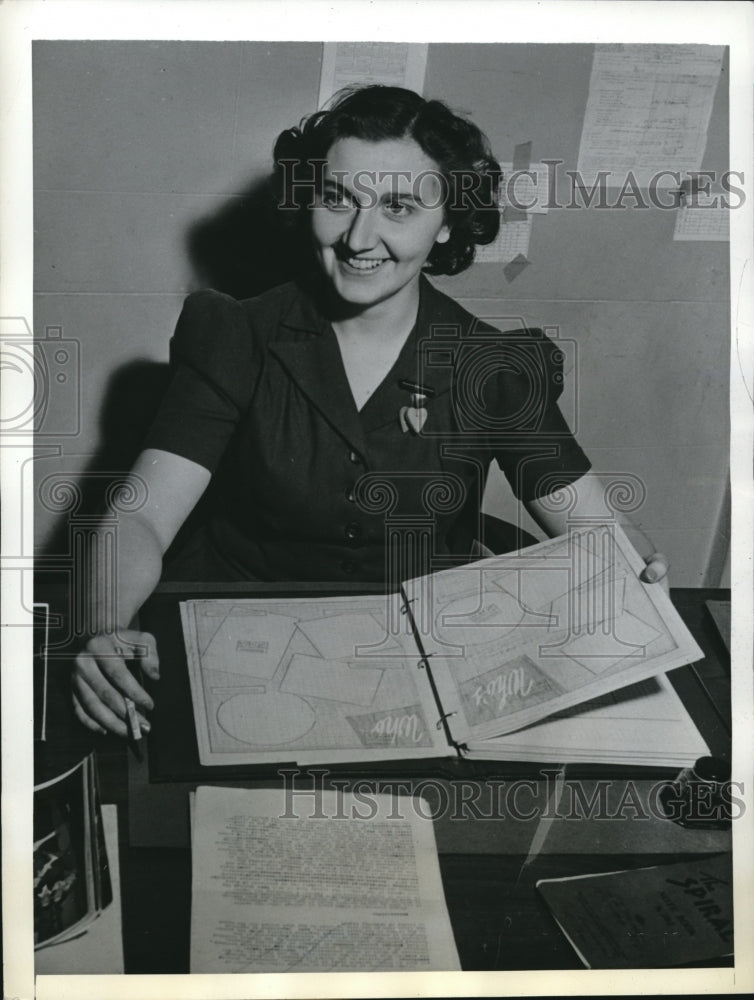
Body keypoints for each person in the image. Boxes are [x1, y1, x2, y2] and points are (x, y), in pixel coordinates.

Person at [71, 85, 668, 738]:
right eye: (339, 199)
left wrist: (632, 566)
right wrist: (105, 626)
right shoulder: (238, 336)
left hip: (417, 668)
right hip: (238, 649)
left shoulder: (493, 367)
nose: (361, 237)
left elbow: (597, 533)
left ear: (445, 223)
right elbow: (141, 519)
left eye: (399, 206)